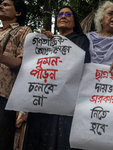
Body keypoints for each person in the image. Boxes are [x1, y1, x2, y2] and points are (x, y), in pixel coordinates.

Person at [22, 6, 90, 150]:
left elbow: (79, 67)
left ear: (75, 22)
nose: (63, 16)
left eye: (68, 14)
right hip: (42, 100)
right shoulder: (46, 40)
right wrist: (41, 42)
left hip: (63, 102)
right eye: (60, 14)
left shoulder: (80, 40)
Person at [0, 0, 32, 149]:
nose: (1, 6)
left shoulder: (24, 31)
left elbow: (22, 63)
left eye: (6, 4)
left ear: (18, 12)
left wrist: (1, 57)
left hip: (5, 95)